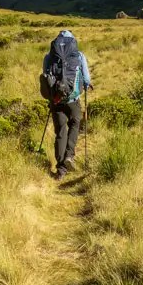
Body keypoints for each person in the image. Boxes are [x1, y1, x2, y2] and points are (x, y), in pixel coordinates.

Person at [41, 30, 92, 179]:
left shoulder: (49, 57)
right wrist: (87, 85)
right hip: (72, 99)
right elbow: (86, 78)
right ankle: (69, 155)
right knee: (75, 124)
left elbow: (46, 78)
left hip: (56, 100)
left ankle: (61, 170)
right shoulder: (79, 55)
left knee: (60, 131)